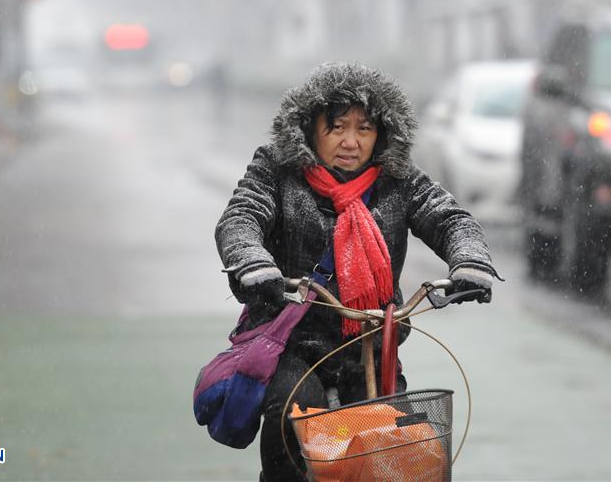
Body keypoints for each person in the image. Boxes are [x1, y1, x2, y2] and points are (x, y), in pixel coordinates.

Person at [215, 62, 501, 481]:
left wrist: (469, 259)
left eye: (364, 129)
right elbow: (242, 216)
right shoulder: (277, 169)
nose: (351, 142)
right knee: (291, 412)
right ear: (310, 129)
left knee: (390, 447)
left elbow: (448, 219)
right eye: (336, 128)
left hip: (372, 341)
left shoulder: (398, 179)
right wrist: (253, 262)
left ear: (380, 134)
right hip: (293, 342)